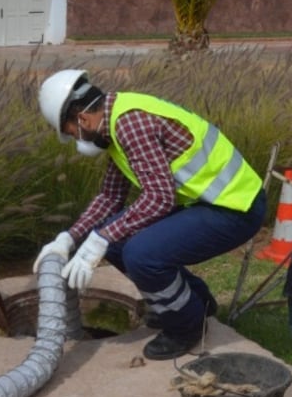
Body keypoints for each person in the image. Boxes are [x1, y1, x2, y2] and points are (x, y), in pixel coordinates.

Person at [35, 69, 267, 360]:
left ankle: (187, 326)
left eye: (69, 132)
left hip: (235, 207)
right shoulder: (115, 124)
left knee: (141, 254)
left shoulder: (129, 124)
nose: (73, 138)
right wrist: (69, 238)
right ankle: (195, 302)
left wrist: (99, 239)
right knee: (117, 242)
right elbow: (110, 197)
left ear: (81, 119)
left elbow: (159, 197)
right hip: (209, 202)